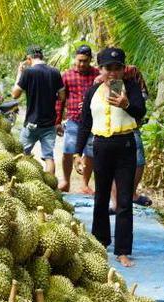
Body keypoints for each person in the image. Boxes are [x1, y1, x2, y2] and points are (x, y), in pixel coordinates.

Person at [74, 47, 147, 267]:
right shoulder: (93, 91)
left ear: (124, 69)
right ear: (101, 69)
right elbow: (85, 122)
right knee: (101, 197)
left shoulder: (131, 88)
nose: (113, 73)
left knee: (124, 200)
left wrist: (127, 104)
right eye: (108, 68)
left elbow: (140, 111)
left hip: (124, 145)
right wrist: (78, 153)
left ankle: (122, 250)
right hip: (101, 147)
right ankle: (100, 243)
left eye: (117, 68)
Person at [12, 45, 66, 175]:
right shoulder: (55, 72)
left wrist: (20, 73)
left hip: (31, 123)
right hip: (49, 124)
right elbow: (62, 97)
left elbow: (15, 94)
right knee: (49, 157)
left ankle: (22, 183)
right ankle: (51, 188)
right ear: (42, 56)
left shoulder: (28, 72)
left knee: (21, 155)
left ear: (29, 59)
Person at [55, 44, 98, 193]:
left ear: (90, 60)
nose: (82, 64)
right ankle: (66, 181)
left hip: (94, 121)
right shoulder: (66, 76)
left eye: (85, 61)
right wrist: (57, 121)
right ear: (75, 58)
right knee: (68, 151)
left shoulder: (97, 74)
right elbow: (60, 100)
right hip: (74, 120)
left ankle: (85, 184)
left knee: (90, 152)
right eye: (79, 60)